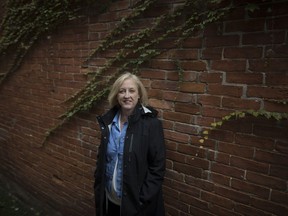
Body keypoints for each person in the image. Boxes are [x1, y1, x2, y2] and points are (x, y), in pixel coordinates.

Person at [94, 72, 166, 216]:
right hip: (110, 201)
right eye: (122, 91)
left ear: (139, 94)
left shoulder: (151, 124)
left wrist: (141, 199)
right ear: (117, 95)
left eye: (131, 90)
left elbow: (157, 167)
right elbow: (102, 159)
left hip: (137, 207)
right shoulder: (108, 122)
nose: (127, 95)